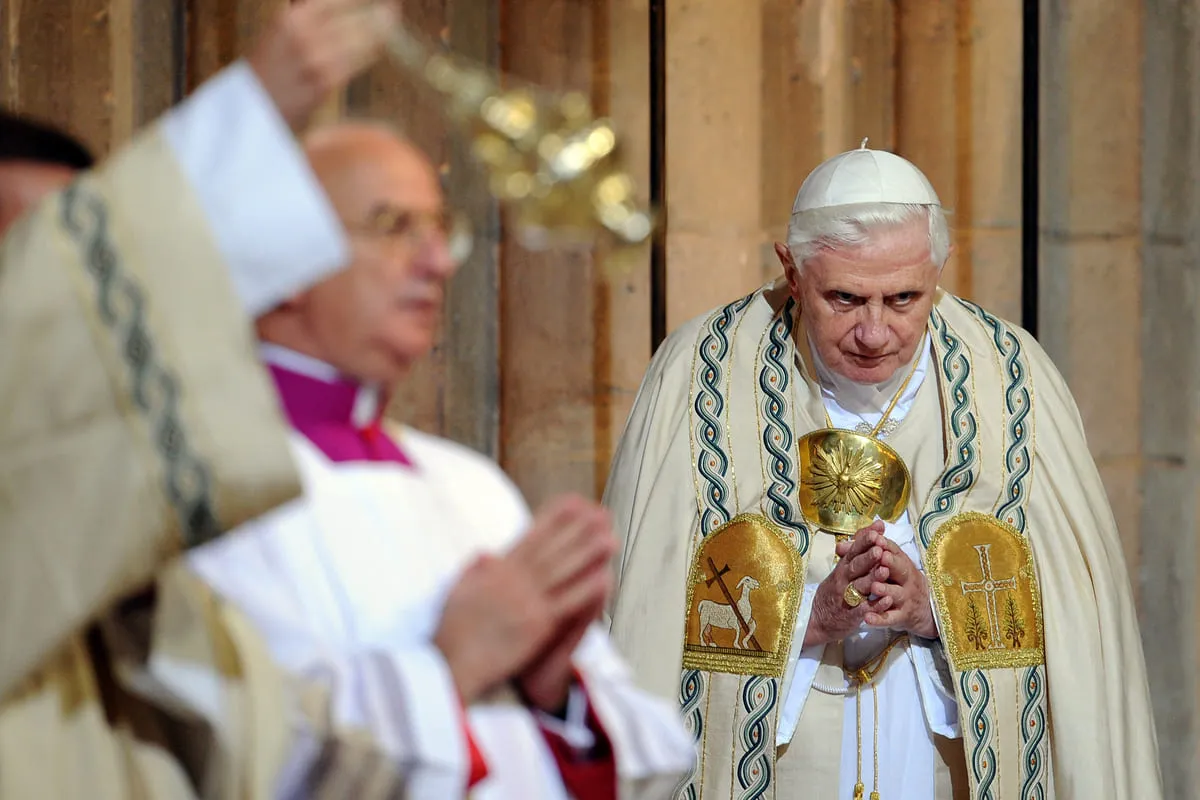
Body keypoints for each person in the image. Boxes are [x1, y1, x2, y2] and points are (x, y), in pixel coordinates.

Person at [602, 143, 1163, 799]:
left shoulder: (1011, 379)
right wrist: (808, 620)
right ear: (791, 268)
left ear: (939, 268)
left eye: (903, 298)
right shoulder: (702, 375)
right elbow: (648, 615)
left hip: (938, 758)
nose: (874, 332)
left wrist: (936, 612)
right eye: (844, 298)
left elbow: (1075, 629)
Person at [0, 1, 458, 796]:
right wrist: (255, 113)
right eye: (39, 266)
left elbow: (276, 737)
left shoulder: (144, 557)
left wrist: (528, 698)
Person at [185, 122, 695, 799]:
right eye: (394, 226)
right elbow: (238, 748)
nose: (438, 261)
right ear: (281, 259)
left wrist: (554, 688)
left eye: (439, 229)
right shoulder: (197, 489)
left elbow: (655, 751)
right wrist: (451, 665)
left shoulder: (470, 487)